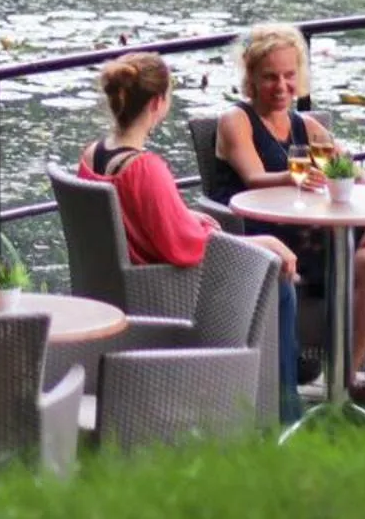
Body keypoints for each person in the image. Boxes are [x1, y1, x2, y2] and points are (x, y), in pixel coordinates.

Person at [80, 51, 304, 422]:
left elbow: (150, 219)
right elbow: (183, 248)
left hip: (128, 280)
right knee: (278, 278)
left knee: (269, 264)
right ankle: (283, 414)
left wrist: (188, 216)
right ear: (158, 103)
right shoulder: (146, 168)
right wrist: (262, 244)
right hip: (170, 288)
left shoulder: (93, 155)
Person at [209, 23, 365, 392]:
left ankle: (343, 382)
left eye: (289, 76)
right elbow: (253, 178)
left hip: (308, 235)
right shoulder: (236, 121)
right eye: (270, 78)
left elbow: (349, 172)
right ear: (250, 79)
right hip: (261, 236)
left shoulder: (308, 125)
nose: (282, 87)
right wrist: (295, 176)